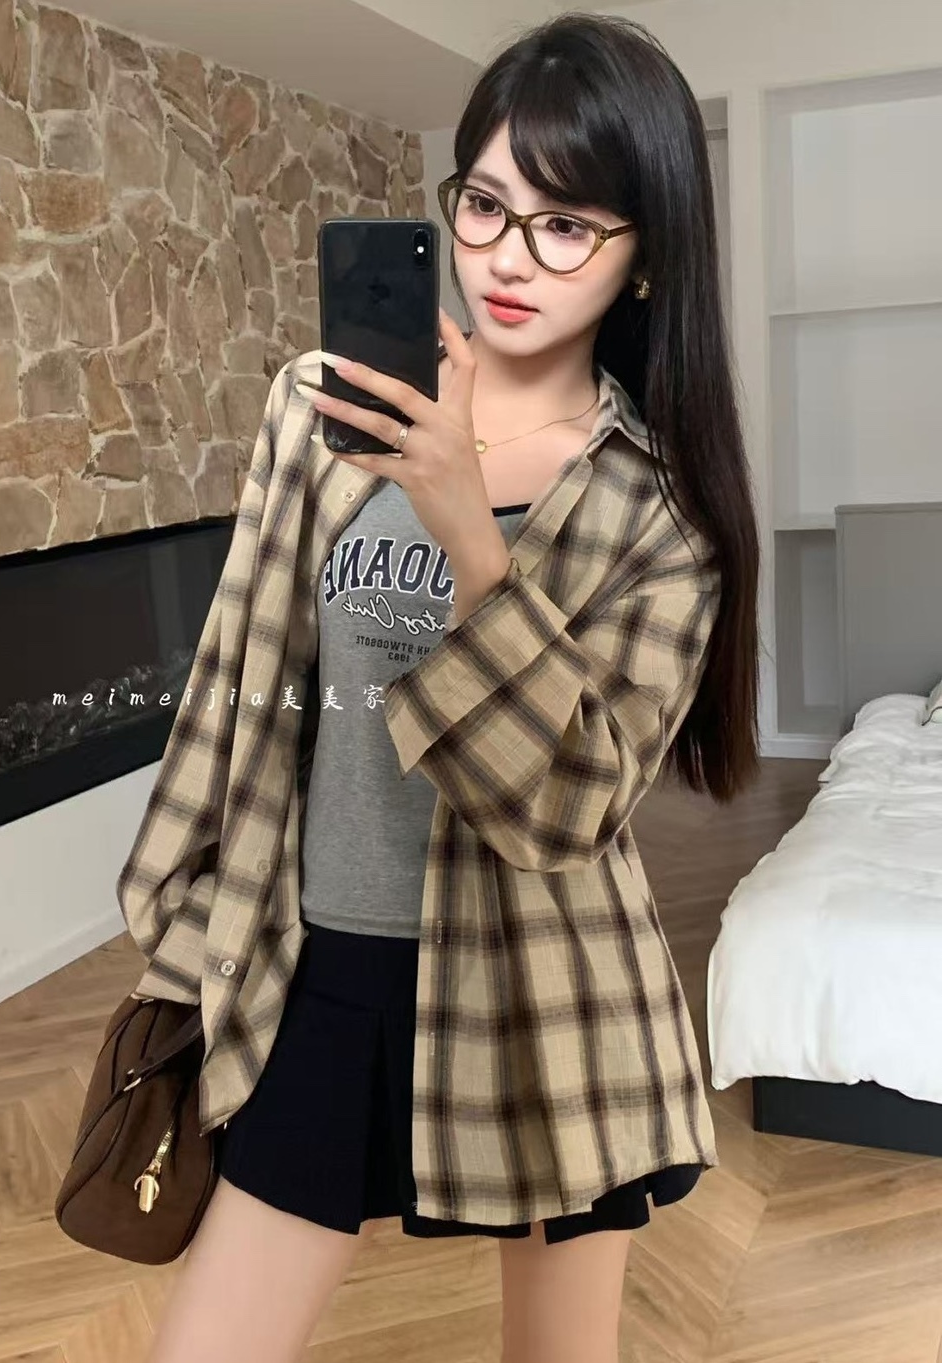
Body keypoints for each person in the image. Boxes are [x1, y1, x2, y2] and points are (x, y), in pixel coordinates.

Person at [133, 11, 760, 1363]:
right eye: (484, 203)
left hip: (546, 988)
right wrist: (186, 921)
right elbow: (238, 685)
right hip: (320, 963)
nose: (507, 255)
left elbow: (571, 809)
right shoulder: (322, 406)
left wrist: (470, 528)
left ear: (646, 253)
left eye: (566, 224)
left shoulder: (658, 514)